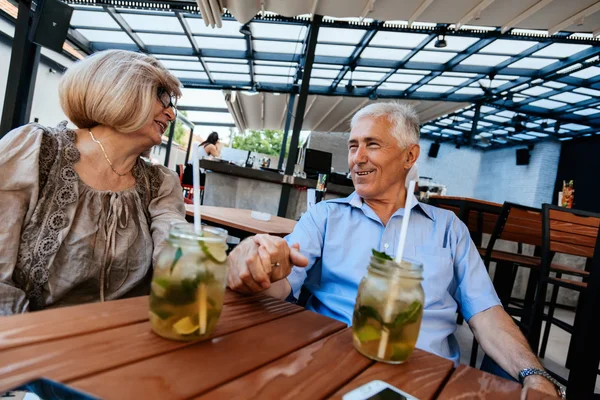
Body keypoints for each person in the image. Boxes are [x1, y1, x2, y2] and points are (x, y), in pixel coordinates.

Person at [227, 102, 561, 398]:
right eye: (353, 145)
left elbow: (486, 314)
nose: (358, 158)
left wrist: (535, 375)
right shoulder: (325, 216)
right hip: (331, 371)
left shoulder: (449, 229)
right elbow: (281, 284)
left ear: (409, 156)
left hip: (427, 381)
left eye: (372, 144)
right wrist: (257, 265)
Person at [0, 50, 187, 315]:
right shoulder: (35, 150)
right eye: (164, 97)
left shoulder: (161, 183)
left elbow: (177, 246)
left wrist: (219, 260)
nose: (171, 114)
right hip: (29, 340)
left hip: (130, 339)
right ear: (122, 88)